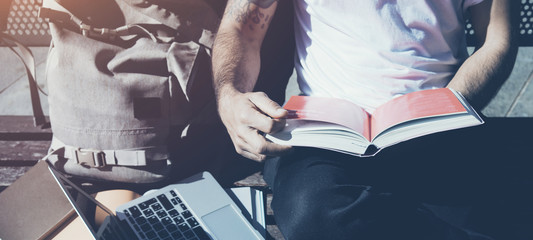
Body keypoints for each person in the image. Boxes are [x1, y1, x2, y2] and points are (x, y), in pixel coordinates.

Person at [212, 0, 532, 239]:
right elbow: (241, 27)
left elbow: (498, 40)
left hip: (439, 123)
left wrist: (444, 109)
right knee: (310, 213)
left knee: (478, 219)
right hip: (325, 132)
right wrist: (229, 95)